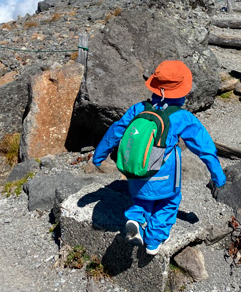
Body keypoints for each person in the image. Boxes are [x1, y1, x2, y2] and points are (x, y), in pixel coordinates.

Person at [92, 60, 226, 256]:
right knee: (168, 202)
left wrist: (99, 155)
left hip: (137, 170)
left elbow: (116, 130)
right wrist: (217, 174)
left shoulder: (139, 109)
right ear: (182, 92)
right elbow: (204, 147)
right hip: (165, 176)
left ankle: (136, 218)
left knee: (142, 198)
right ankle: (154, 241)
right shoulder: (183, 117)